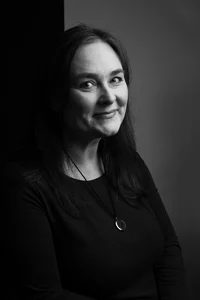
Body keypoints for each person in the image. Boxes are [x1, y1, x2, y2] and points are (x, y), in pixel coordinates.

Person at [3, 24, 188, 300]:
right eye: (88, 83)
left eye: (116, 79)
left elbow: (169, 251)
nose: (109, 97)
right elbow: (45, 295)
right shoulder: (25, 185)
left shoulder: (128, 163)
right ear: (57, 97)